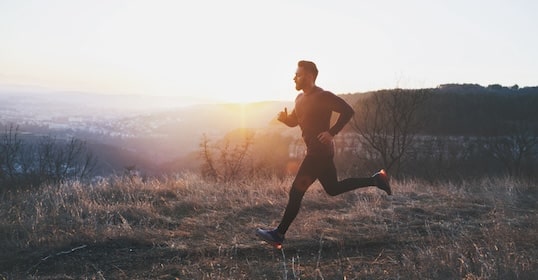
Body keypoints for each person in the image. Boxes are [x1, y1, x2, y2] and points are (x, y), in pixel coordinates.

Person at [256, 60, 392, 247]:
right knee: (333, 188)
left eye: (298, 74)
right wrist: (284, 120)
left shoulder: (323, 96)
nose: (294, 77)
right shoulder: (299, 99)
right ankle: (377, 179)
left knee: (296, 192)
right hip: (319, 152)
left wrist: (332, 132)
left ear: (309, 76)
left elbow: (347, 111)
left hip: (318, 153)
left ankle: (279, 234)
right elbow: (295, 121)